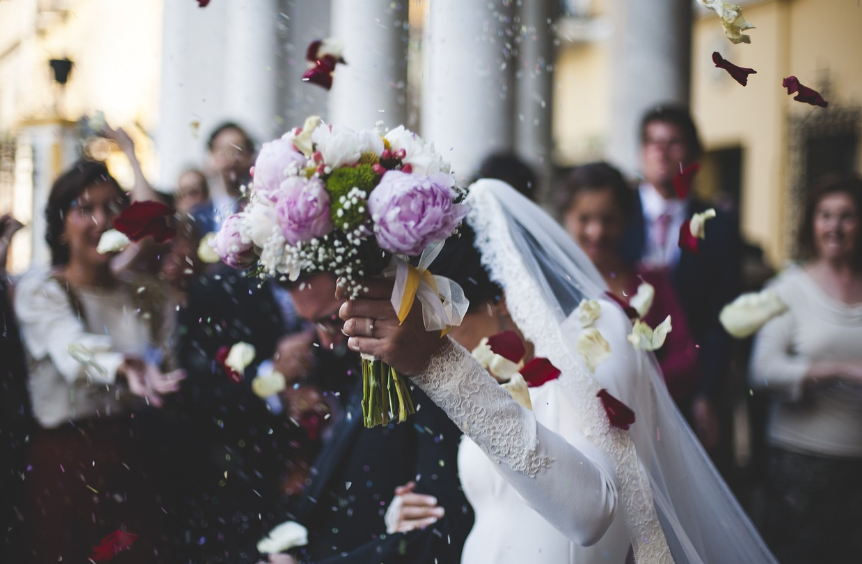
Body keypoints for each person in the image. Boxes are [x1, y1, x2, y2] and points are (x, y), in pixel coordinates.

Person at [341, 179, 777, 564]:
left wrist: (440, 364)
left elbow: (590, 513)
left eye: (445, 331)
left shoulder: (597, 330)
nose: (450, 348)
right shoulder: (501, 383)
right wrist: (409, 516)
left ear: (499, 302)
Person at [13, 159, 184, 563]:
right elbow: (71, 346)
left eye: (112, 207)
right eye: (85, 209)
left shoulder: (148, 294)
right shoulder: (43, 291)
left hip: (134, 451)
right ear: (60, 226)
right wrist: (123, 366)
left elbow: (167, 358)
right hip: (68, 461)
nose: (102, 220)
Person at [257, 272, 473, 564]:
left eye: (334, 319)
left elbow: (445, 534)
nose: (325, 340)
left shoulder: (428, 372)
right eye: (311, 325)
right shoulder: (346, 363)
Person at [749, 174, 862, 564]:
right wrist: (842, 370)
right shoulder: (786, 290)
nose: (835, 226)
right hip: (800, 465)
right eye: (825, 215)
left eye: (847, 216)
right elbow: (762, 372)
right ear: (811, 223)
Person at [620, 105, 742, 453]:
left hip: (693, 389)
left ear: (692, 153)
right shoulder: (615, 216)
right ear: (641, 152)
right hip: (624, 380)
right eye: (652, 142)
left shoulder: (718, 226)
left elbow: (724, 316)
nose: (661, 150)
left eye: (673, 142)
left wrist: (706, 392)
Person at [560, 162, 701, 406]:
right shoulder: (552, 285)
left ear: (624, 220)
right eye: (584, 219)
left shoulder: (652, 283)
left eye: (608, 219)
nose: (596, 231)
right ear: (565, 218)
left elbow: (685, 357)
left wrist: (634, 384)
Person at [192, 122, 256, 235]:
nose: (231, 159)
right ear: (210, 157)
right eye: (223, 151)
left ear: (250, 157)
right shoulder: (197, 216)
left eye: (239, 151)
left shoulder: (257, 207)